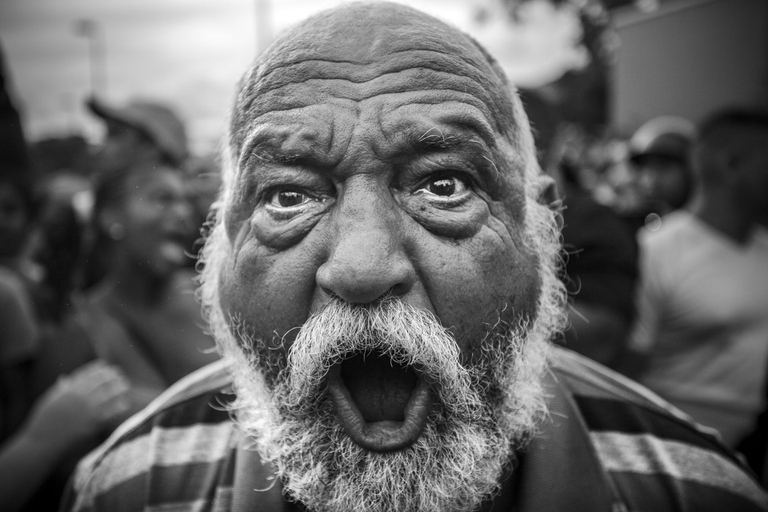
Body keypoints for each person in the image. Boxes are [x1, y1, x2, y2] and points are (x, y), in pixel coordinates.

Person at [63, 4, 768, 512]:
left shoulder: (696, 489)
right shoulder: (129, 487)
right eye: (285, 197)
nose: (362, 268)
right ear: (219, 245)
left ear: (543, 230)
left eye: (444, 185)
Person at [625, 108, 768, 474]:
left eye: (664, 166)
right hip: (673, 453)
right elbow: (627, 370)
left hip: (750, 451)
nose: (651, 179)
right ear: (732, 164)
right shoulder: (653, 249)